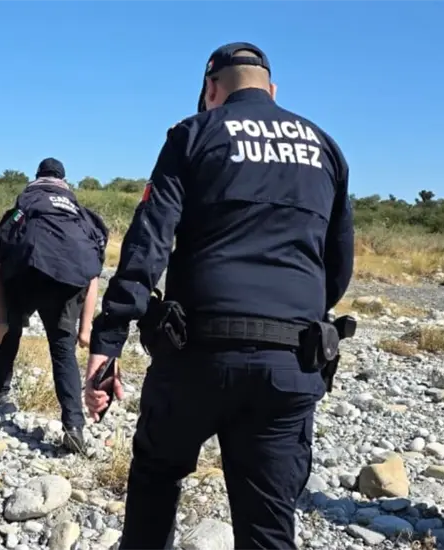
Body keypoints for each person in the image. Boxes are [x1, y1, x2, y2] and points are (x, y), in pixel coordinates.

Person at [84, 42, 354, 549]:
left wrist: (108, 340)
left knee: (156, 479)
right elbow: (337, 268)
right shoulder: (324, 147)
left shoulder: (194, 133)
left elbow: (149, 242)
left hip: (196, 356)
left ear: (211, 89)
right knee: (269, 526)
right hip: (290, 360)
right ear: (272, 90)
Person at [0, 158, 108, 455]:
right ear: (64, 182)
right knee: (63, 350)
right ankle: (73, 426)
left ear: (37, 177)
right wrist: (85, 328)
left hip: (25, 275)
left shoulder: (24, 206)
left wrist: (1, 320)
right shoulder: (80, 214)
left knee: (11, 333)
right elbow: (92, 272)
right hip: (67, 283)